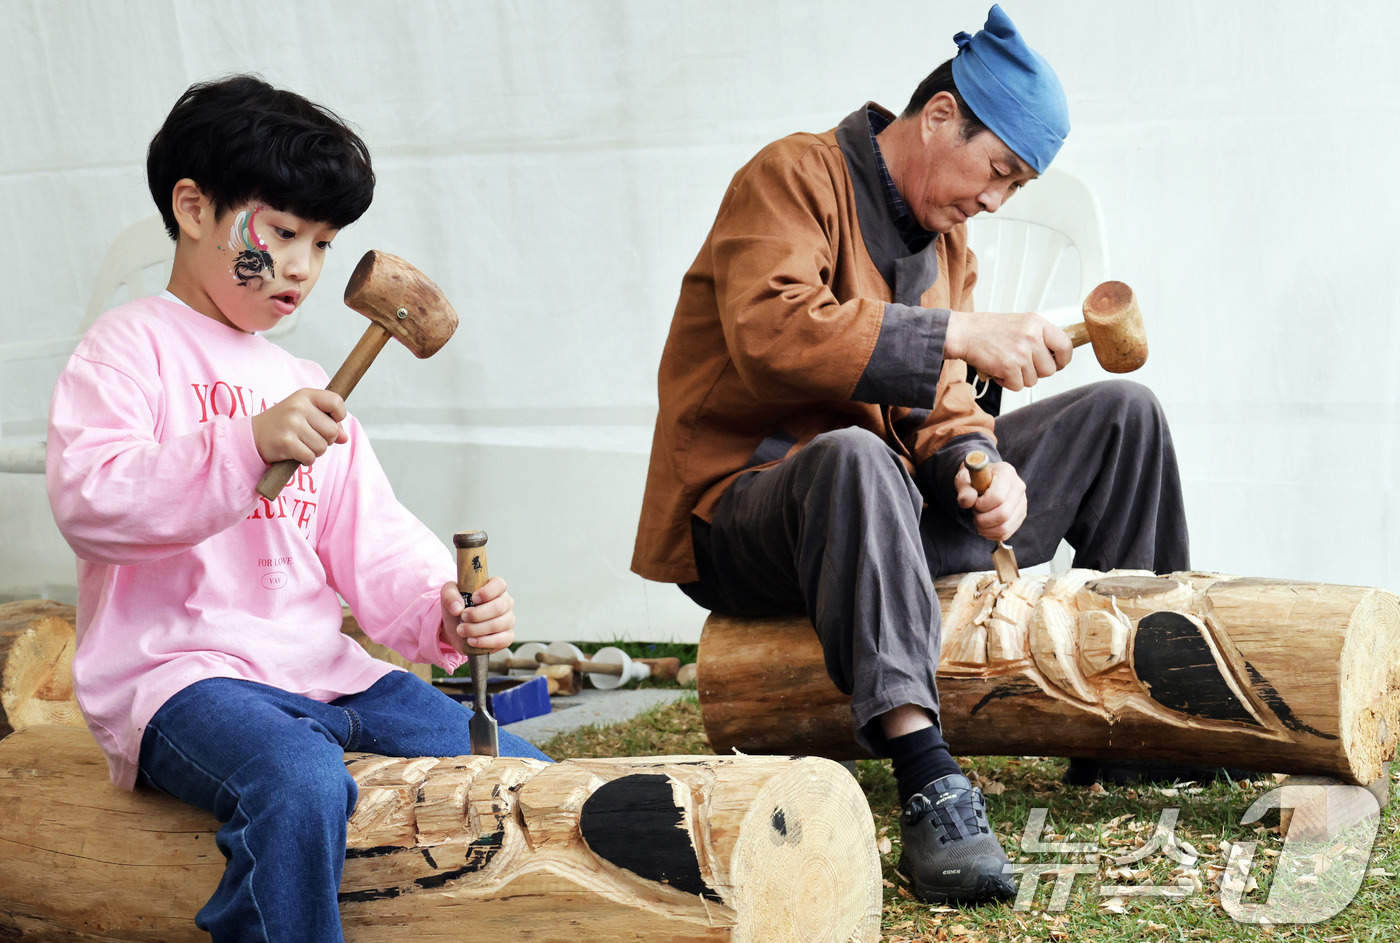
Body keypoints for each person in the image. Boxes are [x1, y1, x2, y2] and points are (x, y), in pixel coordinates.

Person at [631, 5, 1186, 905]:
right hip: (746, 513)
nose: (997, 201)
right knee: (853, 455)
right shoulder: (791, 175)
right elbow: (772, 331)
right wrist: (962, 329)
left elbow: (937, 404)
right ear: (938, 118)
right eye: (998, 171)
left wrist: (979, 467)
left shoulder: (943, 243)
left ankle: (1141, 717)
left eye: (1017, 185)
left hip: (880, 507)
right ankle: (927, 772)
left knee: (1123, 413)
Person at [46, 74, 549, 942]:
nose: (301, 268)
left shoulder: (304, 383)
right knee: (300, 780)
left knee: (521, 769)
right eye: (280, 233)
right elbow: (92, 502)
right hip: (180, 679)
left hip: (325, 670)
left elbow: (374, 540)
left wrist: (444, 606)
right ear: (195, 207)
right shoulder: (129, 347)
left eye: (322, 243)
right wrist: (243, 445)